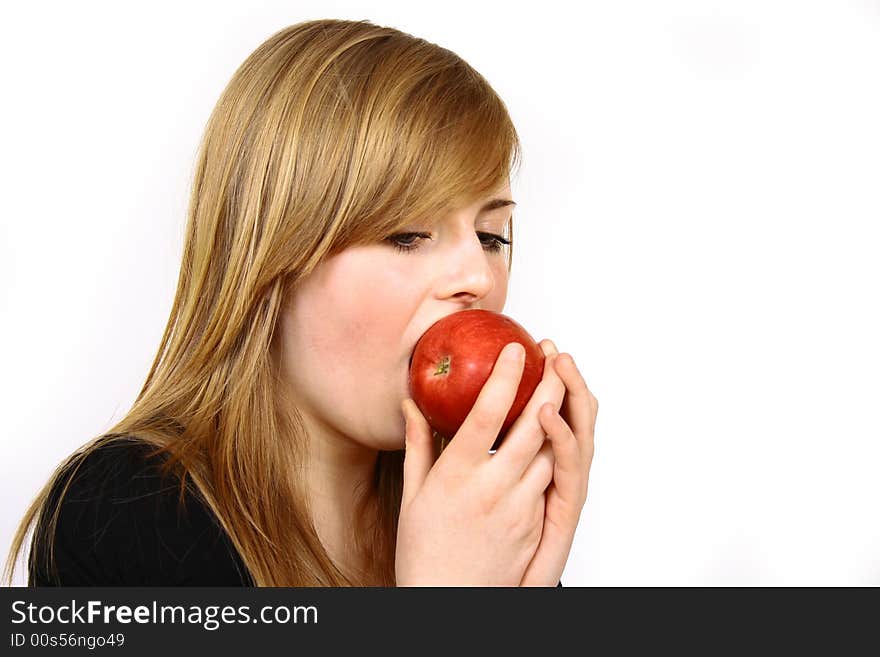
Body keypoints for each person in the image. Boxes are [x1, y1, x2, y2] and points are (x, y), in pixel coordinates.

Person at [3, 18, 598, 587]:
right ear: (273, 257)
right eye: (407, 234)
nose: (478, 275)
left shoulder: (477, 515)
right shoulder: (126, 510)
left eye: (492, 237)